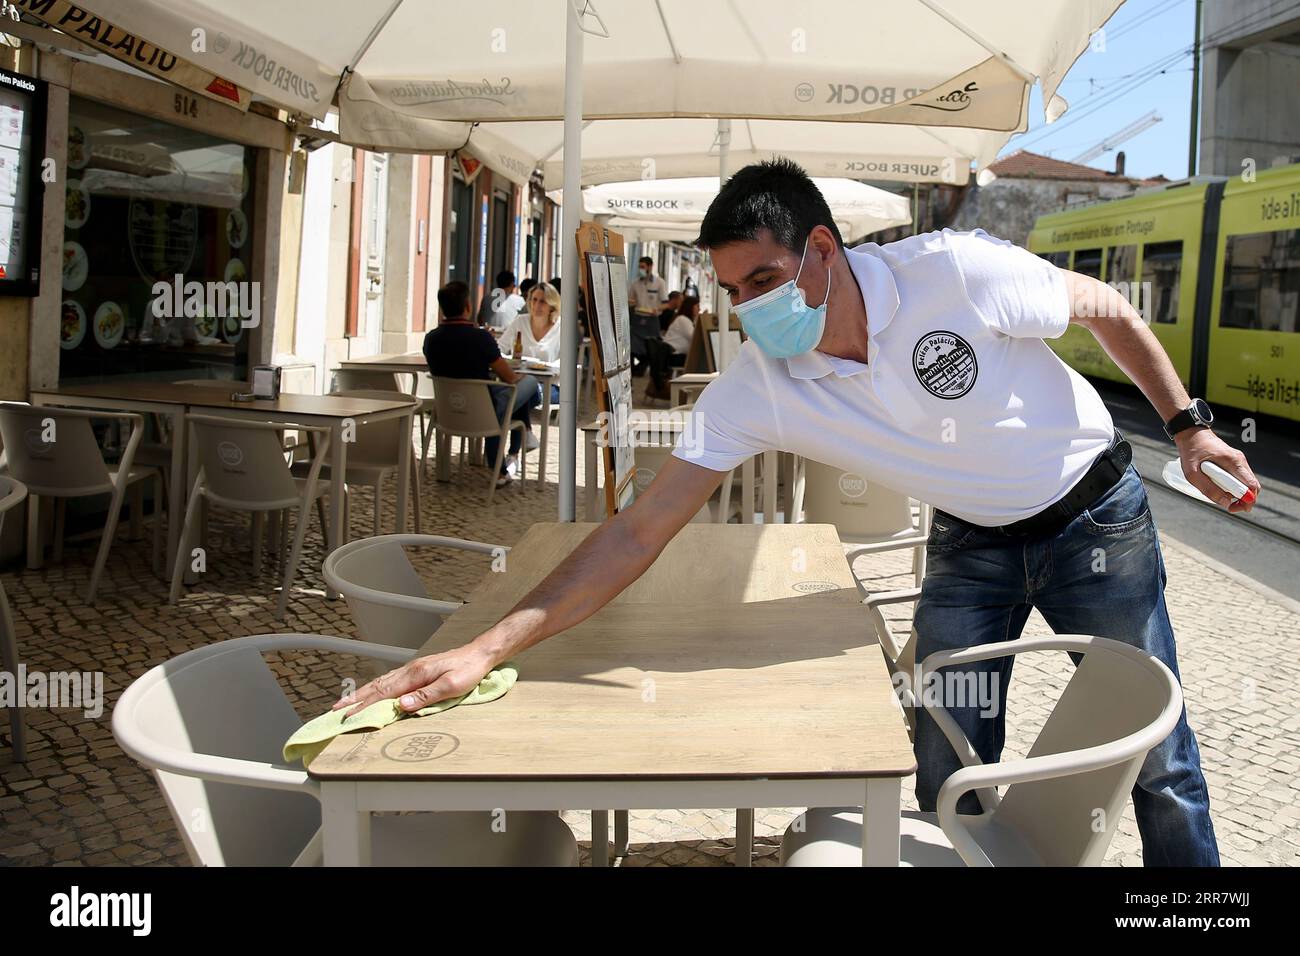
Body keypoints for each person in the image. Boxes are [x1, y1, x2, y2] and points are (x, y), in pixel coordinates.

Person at [340, 159, 1259, 867]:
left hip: (1092, 514)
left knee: (1160, 753)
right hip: (970, 537)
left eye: (763, 279)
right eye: (733, 292)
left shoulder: (960, 273)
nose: (748, 308)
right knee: (943, 745)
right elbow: (637, 530)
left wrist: (1188, 430)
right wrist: (484, 648)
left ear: (823, 250)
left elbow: (1106, 309)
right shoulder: (759, 390)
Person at [423, 280, 540, 487]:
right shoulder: (481, 338)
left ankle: (520, 441)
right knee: (530, 385)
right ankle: (524, 437)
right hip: (484, 413)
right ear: (468, 307)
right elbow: (510, 378)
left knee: (506, 402)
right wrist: (519, 377)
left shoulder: (431, 339)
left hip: (448, 413)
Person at [497, 280, 562, 408]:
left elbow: (566, 363)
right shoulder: (520, 322)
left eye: (542, 301)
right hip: (519, 380)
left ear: (552, 306)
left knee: (517, 393)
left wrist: (544, 366)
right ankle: (523, 427)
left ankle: (510, 420)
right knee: (515, 392)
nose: (536, 305)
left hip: (550, 386)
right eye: (534, 300)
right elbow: (499, 348)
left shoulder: (561, 327)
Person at [628, 255, 667, 375]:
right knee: (634, 345)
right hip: (638, 318)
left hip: (652, 319)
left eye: (643, 267)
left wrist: (657, 309)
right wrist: (631, 302)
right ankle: (636, 369)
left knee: (651, 345)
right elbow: (630, 299)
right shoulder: (635, 283)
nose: (641, 269)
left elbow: (665, 303)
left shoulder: (659, 283)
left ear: (650, 267)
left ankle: (650, 370)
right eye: (639, 267)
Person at [663, 295, 698, 362]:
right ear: (690, 307)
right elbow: (694, 337)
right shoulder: (683, 319)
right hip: (675, 356)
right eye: (697, 306)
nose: (699, 309)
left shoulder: (684, 319)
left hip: (673, 354)